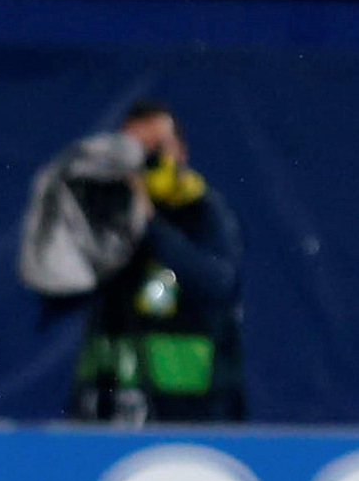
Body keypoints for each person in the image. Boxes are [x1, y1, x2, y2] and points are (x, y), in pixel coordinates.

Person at [20, 100, 245, 423]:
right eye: (132, 150)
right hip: (106, 407)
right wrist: (56, 217)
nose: (142, 160)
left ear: (180, 151)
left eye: (154, 149)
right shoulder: (104, 213)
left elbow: (219, 285)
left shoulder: (204, 212)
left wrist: (149, 226)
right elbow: (58, 295)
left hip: (189, 413)